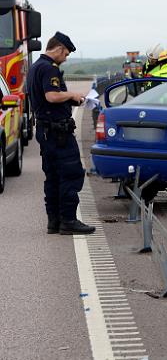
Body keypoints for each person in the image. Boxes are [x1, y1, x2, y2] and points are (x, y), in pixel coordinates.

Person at [26, 31, 95, 235]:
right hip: (58, 133)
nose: (65, 59)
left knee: (53, 177)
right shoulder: (49, 69)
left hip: (46, 130)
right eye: (65, 55)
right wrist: (72, 94)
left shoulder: (35, 67)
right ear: (58, 49)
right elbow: (52, 96)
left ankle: (54, 222)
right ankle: (68, 220)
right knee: (71, 174)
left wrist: (71, 99)